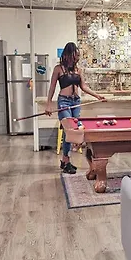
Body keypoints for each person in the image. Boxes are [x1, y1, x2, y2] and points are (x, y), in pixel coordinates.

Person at [46, 42, 105, 174]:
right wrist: (48, 104)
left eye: (78, 56)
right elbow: (52, 87)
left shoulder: (78, 70)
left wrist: (97, 96)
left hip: (76, 102)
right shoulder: (58, 69)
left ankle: (65, 160)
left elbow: (83, 87)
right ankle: (66, 161)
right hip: (64, 102)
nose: (77, 58)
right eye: (76, 55)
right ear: (68, 54)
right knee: (70, 131)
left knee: (74, 130)